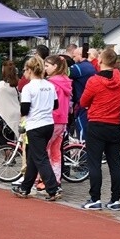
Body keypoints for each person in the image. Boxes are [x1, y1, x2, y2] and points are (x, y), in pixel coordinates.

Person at [79, 48, 120, 210]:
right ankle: (115, 200)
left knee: (94, 163)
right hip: (114, 124)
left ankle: (95, 198)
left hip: (97, 124)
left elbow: (84, 102)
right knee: (115, 163)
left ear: (100, 61)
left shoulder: (94, 81)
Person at [11, 56, 61, 200]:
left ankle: (53, 188)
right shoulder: (49, 85)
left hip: (35, 125)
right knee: (33, 157)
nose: (24, 73)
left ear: (30, 70)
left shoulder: (28, 87)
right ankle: (25, 188)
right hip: (48, 124)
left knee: (40, 158)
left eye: (25, 70)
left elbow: (25, 109)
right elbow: (56, 105)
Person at [44, 55, 72, 185]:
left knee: (45, 150)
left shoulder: (50, 84)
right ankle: (56, 178)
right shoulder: (66, 81)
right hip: (63, 120)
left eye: (47, 66)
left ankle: (44, 180)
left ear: (55, 67)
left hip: (52, 119)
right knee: (56, 151)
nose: (45, 68)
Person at [67, 44, 96, 139]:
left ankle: (83, 152)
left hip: (83, 103)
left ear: (80, 55)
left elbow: (60, 71)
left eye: (74, 56)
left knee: (82, 128)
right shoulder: (90, 66)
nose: (73, 59)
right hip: (89, 102)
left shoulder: (79, 68)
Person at [0, 61, 21, 146]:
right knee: (10, 135)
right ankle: (11, 152)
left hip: (3, 113)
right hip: (15, 112)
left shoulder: (2, 85)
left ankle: (7, 151)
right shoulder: (17, 84)